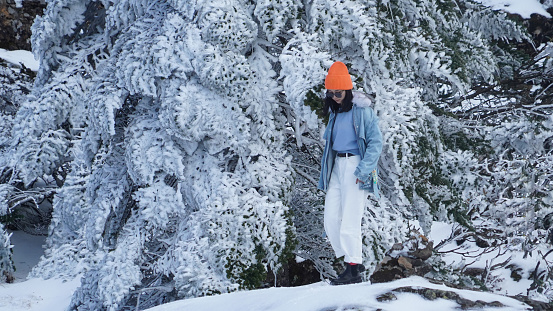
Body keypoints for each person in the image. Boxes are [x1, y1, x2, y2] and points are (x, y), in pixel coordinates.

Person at [317, 61, 383, 285]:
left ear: (347, 90)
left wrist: (364, 170)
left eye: (339, 92)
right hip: (338, 166)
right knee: (330, 220)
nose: (335, 96)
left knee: (350, 221)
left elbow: (375, 142)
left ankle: (353, 270)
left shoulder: (362, 111)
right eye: (331, 92)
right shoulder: (335, 113)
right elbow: (331, 145)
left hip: (357, 165)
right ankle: (351, 261)